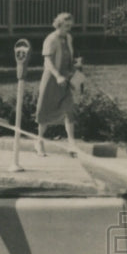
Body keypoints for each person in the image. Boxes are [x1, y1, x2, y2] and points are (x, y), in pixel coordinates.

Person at [35, 12, 82, 156]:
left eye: (70, 26)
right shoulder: (51, 39)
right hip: (52, 79)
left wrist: (76, 67)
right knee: (45, 111)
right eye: (66, 26)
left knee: (69, 110)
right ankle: (39, 142)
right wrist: (57, 76)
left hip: (66, 78)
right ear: (59, 24)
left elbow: (69, 56)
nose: (69, 28)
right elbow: (47, 61)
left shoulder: (68, 38)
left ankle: (71, 144)